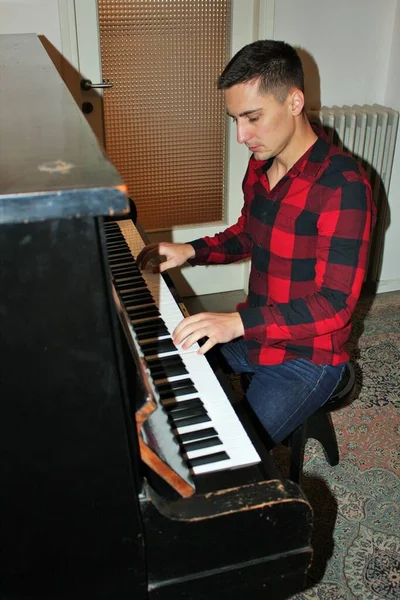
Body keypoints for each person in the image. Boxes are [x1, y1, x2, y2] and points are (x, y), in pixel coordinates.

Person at [137, 40, 375, 447]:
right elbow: (249, 232)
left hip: (306, 358)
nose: (241, 136)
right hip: (258, 334)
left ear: (294, 102)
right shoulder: (261, 165)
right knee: (163, 368)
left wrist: (235, 322)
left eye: (252, 118)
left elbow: (335, 304)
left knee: (231, 451)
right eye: (235, 120)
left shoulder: (343, 187)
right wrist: (189, 251)